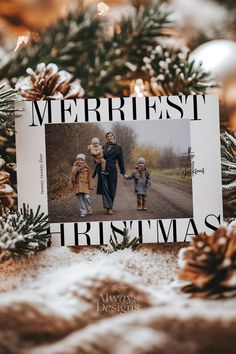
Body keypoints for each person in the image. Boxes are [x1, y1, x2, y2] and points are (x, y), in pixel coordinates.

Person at [94, 132, 125, 215]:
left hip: (112, 170)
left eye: (110, 136)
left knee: (112, 189)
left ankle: (110, 205)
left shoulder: (118, 147)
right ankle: (109, 208)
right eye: (107, 136)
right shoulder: (103, 147)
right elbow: (97, 156)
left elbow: (121, 161)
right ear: (106, 138)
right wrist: (96, 161)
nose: (109, 137)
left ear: (114, 137)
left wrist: (123, 172)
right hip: (103, 169)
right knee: (105, 188)